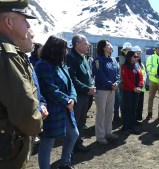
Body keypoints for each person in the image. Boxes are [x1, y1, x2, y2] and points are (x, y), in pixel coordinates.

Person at [0, 1, 43, 168]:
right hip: (8, 152)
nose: (28, 24)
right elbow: (27, 117)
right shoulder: (6, 54)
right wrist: (38, 120)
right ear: (9, 22)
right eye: (24, 19)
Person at [35, 35, 79, 169]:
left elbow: (70, 84)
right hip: (52, 110)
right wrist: (67, 101)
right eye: (64, 48)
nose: (66, 51)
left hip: (66, 108)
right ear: (56, 49)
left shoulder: (61, 64)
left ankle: (65, 163)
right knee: (47, 143)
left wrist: (72, 98)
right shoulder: (43, 65)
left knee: (74, 134)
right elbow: (49, 88)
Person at [66, 34, 94, 153]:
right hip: (77, 96)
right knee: (75, 122)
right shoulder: (71, 57)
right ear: (77, 44)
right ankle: (70, 148)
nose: (88, 45)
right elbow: (72, 79)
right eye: (85, 43)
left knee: (82, 121)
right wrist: (86, 88)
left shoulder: (83, 57)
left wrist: (91, 86)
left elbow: (87, 75)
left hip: (86, 95)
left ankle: (78, 143)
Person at [92, 40, 120, 144]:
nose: (110, 46)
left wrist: (117, 83)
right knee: (101, 113)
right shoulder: (98, 60)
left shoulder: (113, 60)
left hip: (112, 90)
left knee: (109, 112)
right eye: (108, 45)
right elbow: (99, 74)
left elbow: (117, 73)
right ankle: (100, 136)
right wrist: (110, 84)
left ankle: (108, 132)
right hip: (101, 90)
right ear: (103, 48)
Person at [121, 51, 144, 134]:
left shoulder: (136, 66)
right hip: (128, 91)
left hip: (136, 91)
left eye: (137, 56)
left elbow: (141, 77)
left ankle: (132, 126)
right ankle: (126, 127)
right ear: (130, 57)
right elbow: (126, 79)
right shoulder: (124, 66)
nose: (136, 58)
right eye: (135, 56)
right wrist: (133, 88)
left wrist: (140, 86)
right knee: (128, 109)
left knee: (134, 109)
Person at [146, 42, 159, 119]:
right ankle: (149, 113)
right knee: (151, 97)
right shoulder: (151, 58)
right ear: (155, 49)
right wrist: (158, 71)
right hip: (153, 80)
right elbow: (148, 67)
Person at [115, 42, 132, 122]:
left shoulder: (130, 58)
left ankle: (122, 116)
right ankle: (117, 116)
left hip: (127, 82)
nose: (128, 51)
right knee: (120, 100)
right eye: (127, 50)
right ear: (123, 50)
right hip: (121, 82)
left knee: (124, 100)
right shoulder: (120, 58)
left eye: (129, 50)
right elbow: (119, 70)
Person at [132, 46, 147, 123]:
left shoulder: (141, 64)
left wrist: (144, 80)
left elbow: (144, 74)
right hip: (135, 87)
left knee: (140, 103)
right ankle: (133, 119)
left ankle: (139, 118)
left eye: (140, 53)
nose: (139, 55)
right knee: (135, 104)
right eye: (137, 53)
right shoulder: (131, 64)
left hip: (142, 87)